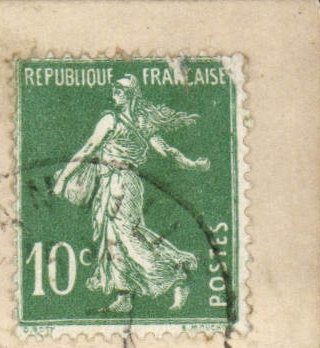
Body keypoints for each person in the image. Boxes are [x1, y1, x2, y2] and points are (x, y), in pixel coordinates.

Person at [53, 74, 211, 313]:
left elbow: (88, 149)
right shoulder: (138, 123)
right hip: (113, 183)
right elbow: (164, 150)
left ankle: (176, 276)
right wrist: (190, 163)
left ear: (130, 95)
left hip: (122, 184)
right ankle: (124, 295)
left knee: (127, 236)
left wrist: (63, 178)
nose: (114, 94)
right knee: (112, 238)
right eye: (114, 90)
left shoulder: (113, 120)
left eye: (119, 91)